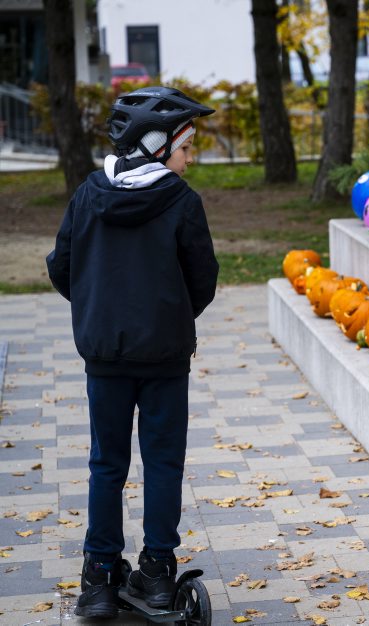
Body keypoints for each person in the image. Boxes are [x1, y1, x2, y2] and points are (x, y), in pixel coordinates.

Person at [46, 86, 219, 618]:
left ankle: (98, 578)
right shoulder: (182, 204)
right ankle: (158, 575)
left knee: (106, 464)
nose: (190, 159)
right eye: (186, 147)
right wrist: (165, 315)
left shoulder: (88, 195)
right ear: (156, 143)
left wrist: (102, 308)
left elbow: (61, 267)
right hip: (164, 358)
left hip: (105, 357)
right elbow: (203, 281)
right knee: (163, 463)